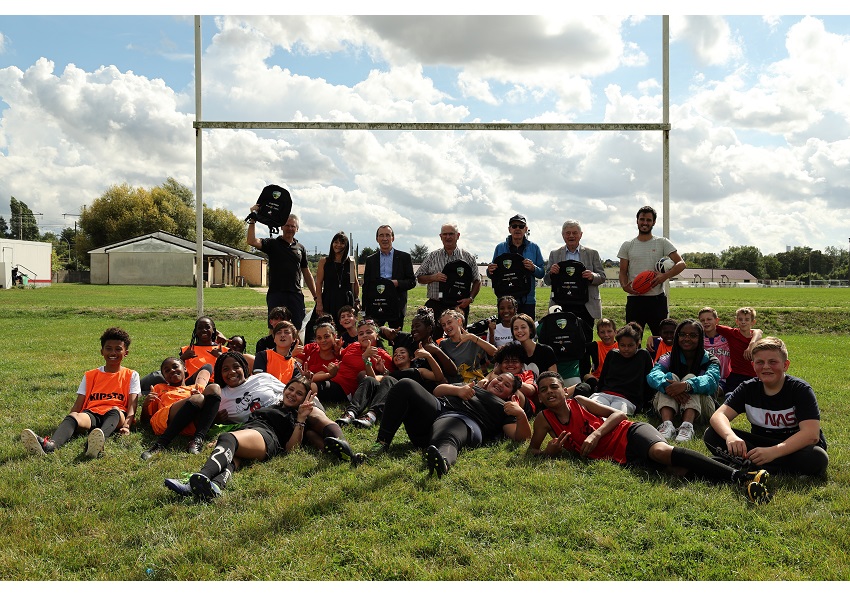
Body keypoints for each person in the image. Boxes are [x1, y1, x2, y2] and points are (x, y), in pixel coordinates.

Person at [527, 371, 772, 505]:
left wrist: (597, 433)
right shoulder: (543, 420)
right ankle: (736, 466)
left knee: (661, 453)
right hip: (621, 456)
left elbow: (619, 413)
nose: (550, 392)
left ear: (564, 389)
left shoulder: (579, 401)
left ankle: (741, 478)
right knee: (677, 471)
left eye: (554, 387)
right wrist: (549, 452)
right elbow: (532, 452)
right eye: (544, 389)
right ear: (539, 397)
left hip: (629, 433)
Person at [163, 376, 359, 500]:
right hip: (252, 432)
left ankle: (199, 478)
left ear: (304, 399)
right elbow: (247, 425)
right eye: (291, 389)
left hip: (268, 437)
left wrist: (300, 418)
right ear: (284, 389)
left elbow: (292, 449)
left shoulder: (297, 416)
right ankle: (215, 485)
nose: (293, 394)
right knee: (233, 458)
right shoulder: (274, 406)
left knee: (229, 438)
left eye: (299, 394)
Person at [329, 372, 532, 477]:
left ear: (511, 394)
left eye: (506, 385)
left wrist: (521, 415)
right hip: (434, 412)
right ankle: (381, 444)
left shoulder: (506, 407)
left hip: (465, 422)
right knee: (405, 385)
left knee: (449, 430)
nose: (500, 384)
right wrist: (458, 390)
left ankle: (441, 461)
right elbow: (437, 391)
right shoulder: (473, 387)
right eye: (499, 379)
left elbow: (519, 437)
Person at [705, 337, 828, 477]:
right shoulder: (748, 388)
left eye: (773, 362)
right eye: (760, 362)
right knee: (712, 434)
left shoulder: (800, 390)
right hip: (760, 446)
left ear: (785, 365)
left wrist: (774, 452)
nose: (766, 367)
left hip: (793, 446)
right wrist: (730, 436)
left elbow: (811, 435)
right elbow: (718, 416)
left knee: (817, 457)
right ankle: (774, 468)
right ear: (753, 365)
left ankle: (750, 465)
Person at [21, 327, 140, 459]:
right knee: (74, 416)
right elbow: (79, 403)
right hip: (92, 414)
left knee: (115, 411)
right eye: (108, 348)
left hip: (115, 416)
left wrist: (127, 426)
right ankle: (50, 446)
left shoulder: (131, 375)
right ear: (102, 351)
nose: (113, 352)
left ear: (126, 352)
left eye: (118, 349)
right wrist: (72, 419)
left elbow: (132, 406)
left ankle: (95, 444)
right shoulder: (90, 375)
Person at [336, 343, 444, 429]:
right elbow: (372, 379)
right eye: (395, 354)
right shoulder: (390, 374)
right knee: (369, 379)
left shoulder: (418, 371)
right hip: (389, 398)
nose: (398, 355)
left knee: (388, 379)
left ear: (411, 358)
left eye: (402, 352)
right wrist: (366, 360)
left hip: (407, 401)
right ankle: (350, 413)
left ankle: (371, 415)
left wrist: (428, 356)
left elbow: (439, 377)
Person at [646, 319, 720, 442]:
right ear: (677, 336)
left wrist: (687, 386)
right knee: (669, 378)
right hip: (673, 402)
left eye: (693, 335)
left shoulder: (710, 359)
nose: (687, 338)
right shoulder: (668, 357)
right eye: (682, 335)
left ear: (700, 338)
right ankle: (667, 424)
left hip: (703, 408)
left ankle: (687, 426)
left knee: (691, 377)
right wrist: (669, 386)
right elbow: (653, 375)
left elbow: (712, 380)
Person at [617, 206, 685, 337]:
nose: (645, 223)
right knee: (632, 340)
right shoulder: (627, 245)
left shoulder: (662, 242)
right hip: (635, 300)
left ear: (654, 222)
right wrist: (625, 287)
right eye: (642, 219)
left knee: (661, 339)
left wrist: (665, 276)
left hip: (656, 300)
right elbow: (622, 271)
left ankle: (661, 359)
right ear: (637, 221)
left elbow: (681, 263)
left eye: (648, 220)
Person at [247, 211, 318, 329]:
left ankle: (297, 348)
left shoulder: (301, 248)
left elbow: (306, 272)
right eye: (287, 225)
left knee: (298, 327)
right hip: (276, 293)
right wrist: (253, 220)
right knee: (275, 327)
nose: (290, 228)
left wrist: (316, 296)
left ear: (297, 229)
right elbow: (251, 241)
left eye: (293, 226)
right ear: (281, 227)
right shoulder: (272, 243)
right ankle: (272, 347)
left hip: (295, 294)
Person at [140, 357, 219, 459]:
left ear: (185, 369)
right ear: (164, 377)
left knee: (214, 387)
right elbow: (145, 421)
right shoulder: (159, 388)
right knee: (198, 398)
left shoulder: (195, 388)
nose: (172, 370)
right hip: (166, 419)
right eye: (167, 370)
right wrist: (146, 405)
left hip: (192, 423)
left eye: (175, 366)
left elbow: (211, 409)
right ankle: (160, 444)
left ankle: (197, 439)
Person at [416, 222, 481, 340]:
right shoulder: (432, 256)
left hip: (459, 305)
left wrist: (470, 298)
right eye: (445, 234)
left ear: (458, 235)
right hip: (436, 304)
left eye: (451, 234)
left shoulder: (468, 257)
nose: (448, 237)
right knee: (432, 338)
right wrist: (433, 277)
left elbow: (477, 280)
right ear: (440, 236)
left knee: (458, 339)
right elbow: (419, 277)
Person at [543, 219, 606, 340]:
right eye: (567, 233)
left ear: (581, 235)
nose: (571, 235)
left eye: (574, 233)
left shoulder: (592, 253)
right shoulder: (554, 254)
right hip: (562, 304)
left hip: (585, 305)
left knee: (585, 340)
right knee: (564, 338)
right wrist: (551, 273)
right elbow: (547, 280)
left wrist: (592, 276)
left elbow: (602, 276)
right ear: (562, 235)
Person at [312, 319, 394, 405]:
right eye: (361, 334)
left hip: (345, 389)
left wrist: (383, 371)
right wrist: (337, 351)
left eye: (369, 332)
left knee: (309, 387)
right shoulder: (354, 345)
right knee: (305, 382)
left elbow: (390, 378)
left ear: (377, 334)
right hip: (332, 377)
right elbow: (341, 356)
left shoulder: (382, 355)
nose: (365, 335)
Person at [139, 316, 225, 395]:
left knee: (206, 368)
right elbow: (178, 367)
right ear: (195, 331)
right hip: (187, 383)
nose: (204, 330)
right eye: (200, 328)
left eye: (207, 327)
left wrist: (220, 356)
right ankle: (136, 390)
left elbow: (232, 364)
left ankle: (199, 390)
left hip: (212, 384)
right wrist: (183, 358)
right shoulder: (187, 349)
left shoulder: (222, 349)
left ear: (213, 330)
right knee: (158, 375)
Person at [588, 322, 654, 415]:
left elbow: (648, 381)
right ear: (618, 344)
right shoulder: (612, 354)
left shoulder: (643, 355)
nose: (626, 349)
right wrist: (598, 391)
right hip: (605, 394)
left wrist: (646, 404)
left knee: (615, 414)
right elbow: (603, 378)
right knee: (592, 409)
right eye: (622, 345)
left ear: (637, 343)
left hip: (627, 399)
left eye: (630, 345)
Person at [487, 214, 545, 318]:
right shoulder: (500, 247)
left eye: (521, 226)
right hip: (505, 301)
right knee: (505, 331)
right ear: (509, 229)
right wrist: (489, 271)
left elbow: (541, 273)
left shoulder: (534, 248)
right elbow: (492, 273)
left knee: (526, 331)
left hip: (528, 299)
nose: (517, 228)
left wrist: (533, 268)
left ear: (526, 229)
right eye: (514, 226)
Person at [361, 225, 416, 329]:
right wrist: (364, 309)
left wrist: (396, 283)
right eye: (381, 235)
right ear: (377, 239)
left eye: (388, 235)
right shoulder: (371, 260)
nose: (385, 238)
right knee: (373, 337)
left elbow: (412, 282)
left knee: (396, 339)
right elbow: (366, 286)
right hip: (376, 305)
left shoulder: (404, 257)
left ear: (393, 238)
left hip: (396, 305)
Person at [314, 231, 359, 329]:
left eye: (342, 243)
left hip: (346, 300)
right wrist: (319, 303)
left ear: (346, 246)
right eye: (336, 242)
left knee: (346, 328)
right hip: (328, 299)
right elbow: (319, 283)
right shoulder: (324, 261)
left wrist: (357, 300)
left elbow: (355, 283)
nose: (338, 245)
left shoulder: (351, 262)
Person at [715, 307, 763, 397]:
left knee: (755, 394)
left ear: (753, 322)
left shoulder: (757, 339)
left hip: (753, 374)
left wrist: (752, 344)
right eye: (740, 319)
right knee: (730, 395)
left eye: (747, 319)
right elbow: (713, 325)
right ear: (736, 321)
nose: (743, 322)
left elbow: (759, 331)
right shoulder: (732, 333)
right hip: (735, 374)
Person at [437, 309, 496, 383]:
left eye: (449, 322)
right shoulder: (444, 344)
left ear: (459, 321)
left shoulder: (473, 340)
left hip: (477, 384)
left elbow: (496, 353)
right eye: (443, 325)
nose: (447, 327)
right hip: (457, 386)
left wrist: (473, 338)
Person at [511, 313, 557, 379]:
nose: (519, 331)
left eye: (523, 327)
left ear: (531, 330)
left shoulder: (546, 351)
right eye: (515, 328)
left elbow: (554, 378)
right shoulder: (513, 352)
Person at [698, 307, 731, 395]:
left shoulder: (727, 336)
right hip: (704, 376)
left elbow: (750, 332)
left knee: (713, 392)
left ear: (716, 320)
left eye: (709, 319)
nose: (706, 322)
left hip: (723, 378)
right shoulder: (698, 339)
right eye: (702, 320)